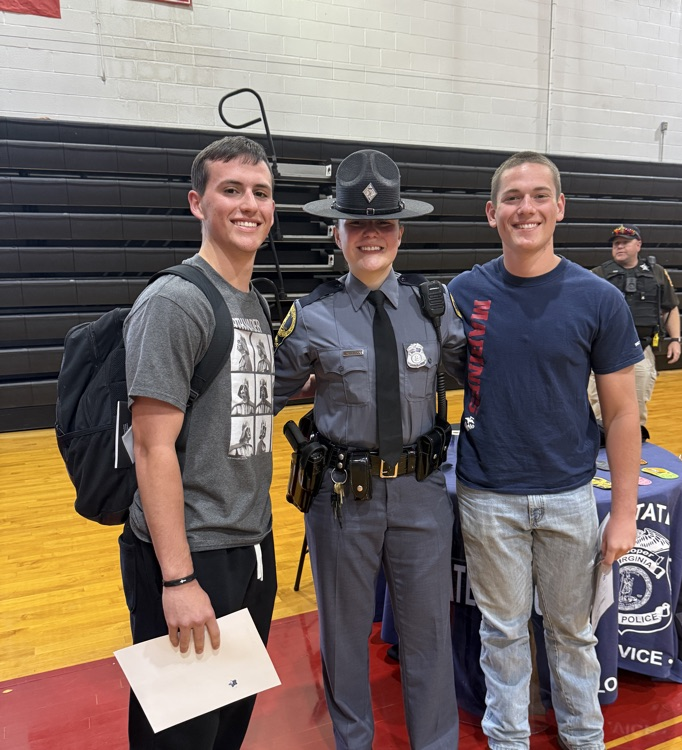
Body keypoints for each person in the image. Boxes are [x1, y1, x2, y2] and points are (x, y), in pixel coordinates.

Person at [448, 151, 642, 750]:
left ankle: (584, 738)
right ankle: (508, 740)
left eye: (538, 196)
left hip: (569, 497)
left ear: (559, 207)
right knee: (501, 633)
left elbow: (622, 412)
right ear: (491, 212)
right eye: (512, 197)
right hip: (487, 497)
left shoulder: (598, 299)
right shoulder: (462, 294)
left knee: (572, 634)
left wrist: (627, 510)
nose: (524, 208)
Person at [274, 149, 465, 750]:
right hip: (342, 498)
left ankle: (434, 742)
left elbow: (469, 372)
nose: (372, 236)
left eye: (383, 225)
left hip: (420, 493)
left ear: (400, 231)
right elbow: (271, 390)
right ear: (338, 232)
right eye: (359, 225)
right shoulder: (310, 315)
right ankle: (352, 742)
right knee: (344, 633)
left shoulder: (435, 310)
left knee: (429, 632)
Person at [121, 136, 278, 749]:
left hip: (250, 546)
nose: (249, 205)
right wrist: (179, 581)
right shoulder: (174, 302)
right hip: (192, 557)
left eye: (261, 193)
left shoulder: (253, 300)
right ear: (197, 202)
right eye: (231, 190)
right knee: (180, 738)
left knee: (224, 731)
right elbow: (152, 447)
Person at [588, 224, 681, 429]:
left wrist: (675, 340)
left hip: (641, 349)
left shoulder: (657, 273)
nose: (619, 247)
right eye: (615, 244)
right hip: (604, 351)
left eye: (625, 242)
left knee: (636, 408)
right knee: (598, 410)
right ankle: (597, 458)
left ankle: (634, 455)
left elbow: (670, 308)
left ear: (638, 244)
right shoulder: (597, 275)